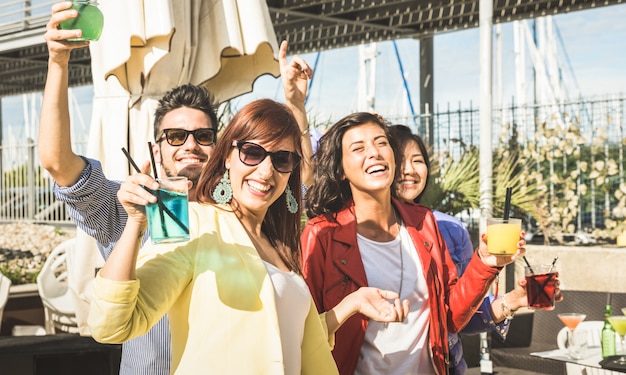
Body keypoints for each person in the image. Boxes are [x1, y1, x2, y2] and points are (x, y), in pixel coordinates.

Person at [38, 2, 314, 374]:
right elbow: (57, 162)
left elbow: (292, 178)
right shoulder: (129, 203)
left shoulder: (237, 215)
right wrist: (57, 61)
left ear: (219, 148)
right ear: (156, 148)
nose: (189, 144)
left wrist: (295, 107)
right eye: (175, 136)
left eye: (202, 135)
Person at [88, 98, 404, 374]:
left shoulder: (282, 250)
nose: (266, 171)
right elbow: (112, 324)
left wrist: (352, 303)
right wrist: (134, 225)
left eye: (282, 159)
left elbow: (285, 344)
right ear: (227, 157)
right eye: (252, 153)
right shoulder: (195, 221)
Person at [300, 112, 526, 375]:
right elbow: (305, 333)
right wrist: (351, 305)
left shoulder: (424, 222)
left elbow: (451, 317)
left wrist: (485, 263)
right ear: (340, 170)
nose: (374, 152)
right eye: (358, 148)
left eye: (381, 143)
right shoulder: (322, 234)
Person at [390, 124, 528, 374]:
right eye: (399, 160)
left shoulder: (450, 229)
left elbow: (457, 318)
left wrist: (512, 300)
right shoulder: (351, 232)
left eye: (417, 160)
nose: (409, 170)